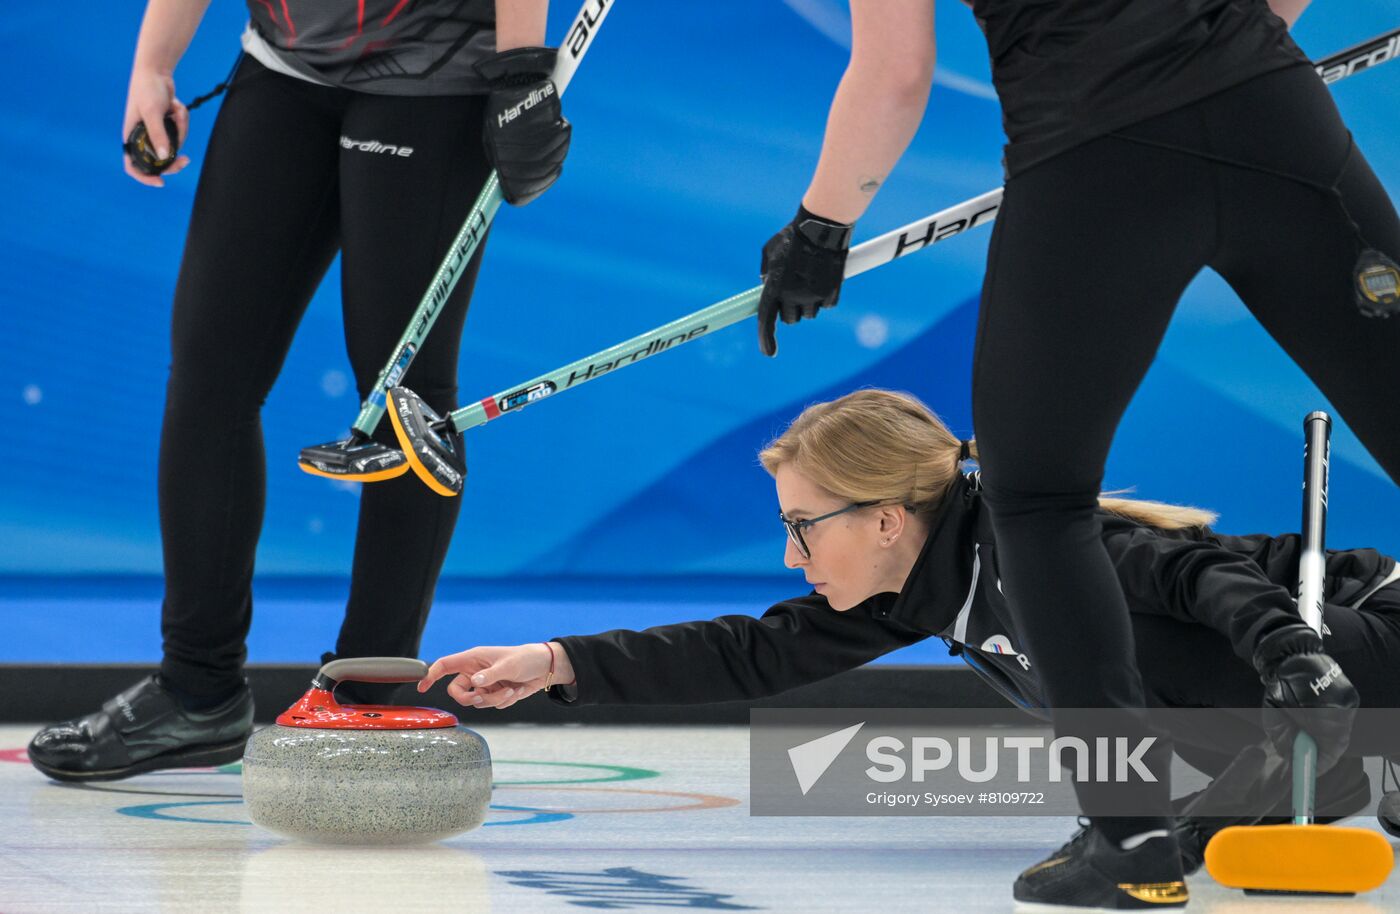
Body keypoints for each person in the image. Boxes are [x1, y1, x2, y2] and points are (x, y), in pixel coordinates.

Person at [748, 0, 1400, 905]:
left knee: (1039, 505)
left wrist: (820, 227)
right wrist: (1229, 52)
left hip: (1089, 150)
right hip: (1271, 113)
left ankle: (1128, 838)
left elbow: (896, 74)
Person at [418, 389, 1398, 904]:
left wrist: (1287, 653)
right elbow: (752, 653)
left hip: (1362, 635)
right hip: (1302, 704)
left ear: (886, 518)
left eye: (803, 523)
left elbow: (1192, 574)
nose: (791, 551)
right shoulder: (926, 582)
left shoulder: (1035, 547)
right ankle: (1324, 767)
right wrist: (558, 661)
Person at [27, 0, 569, 782]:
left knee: (404, 402)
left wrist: (521, 71)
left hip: (434, 81)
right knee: (210, 378)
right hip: (280, 68)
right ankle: (197, 691)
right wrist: (153, 65)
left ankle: (367, 702)